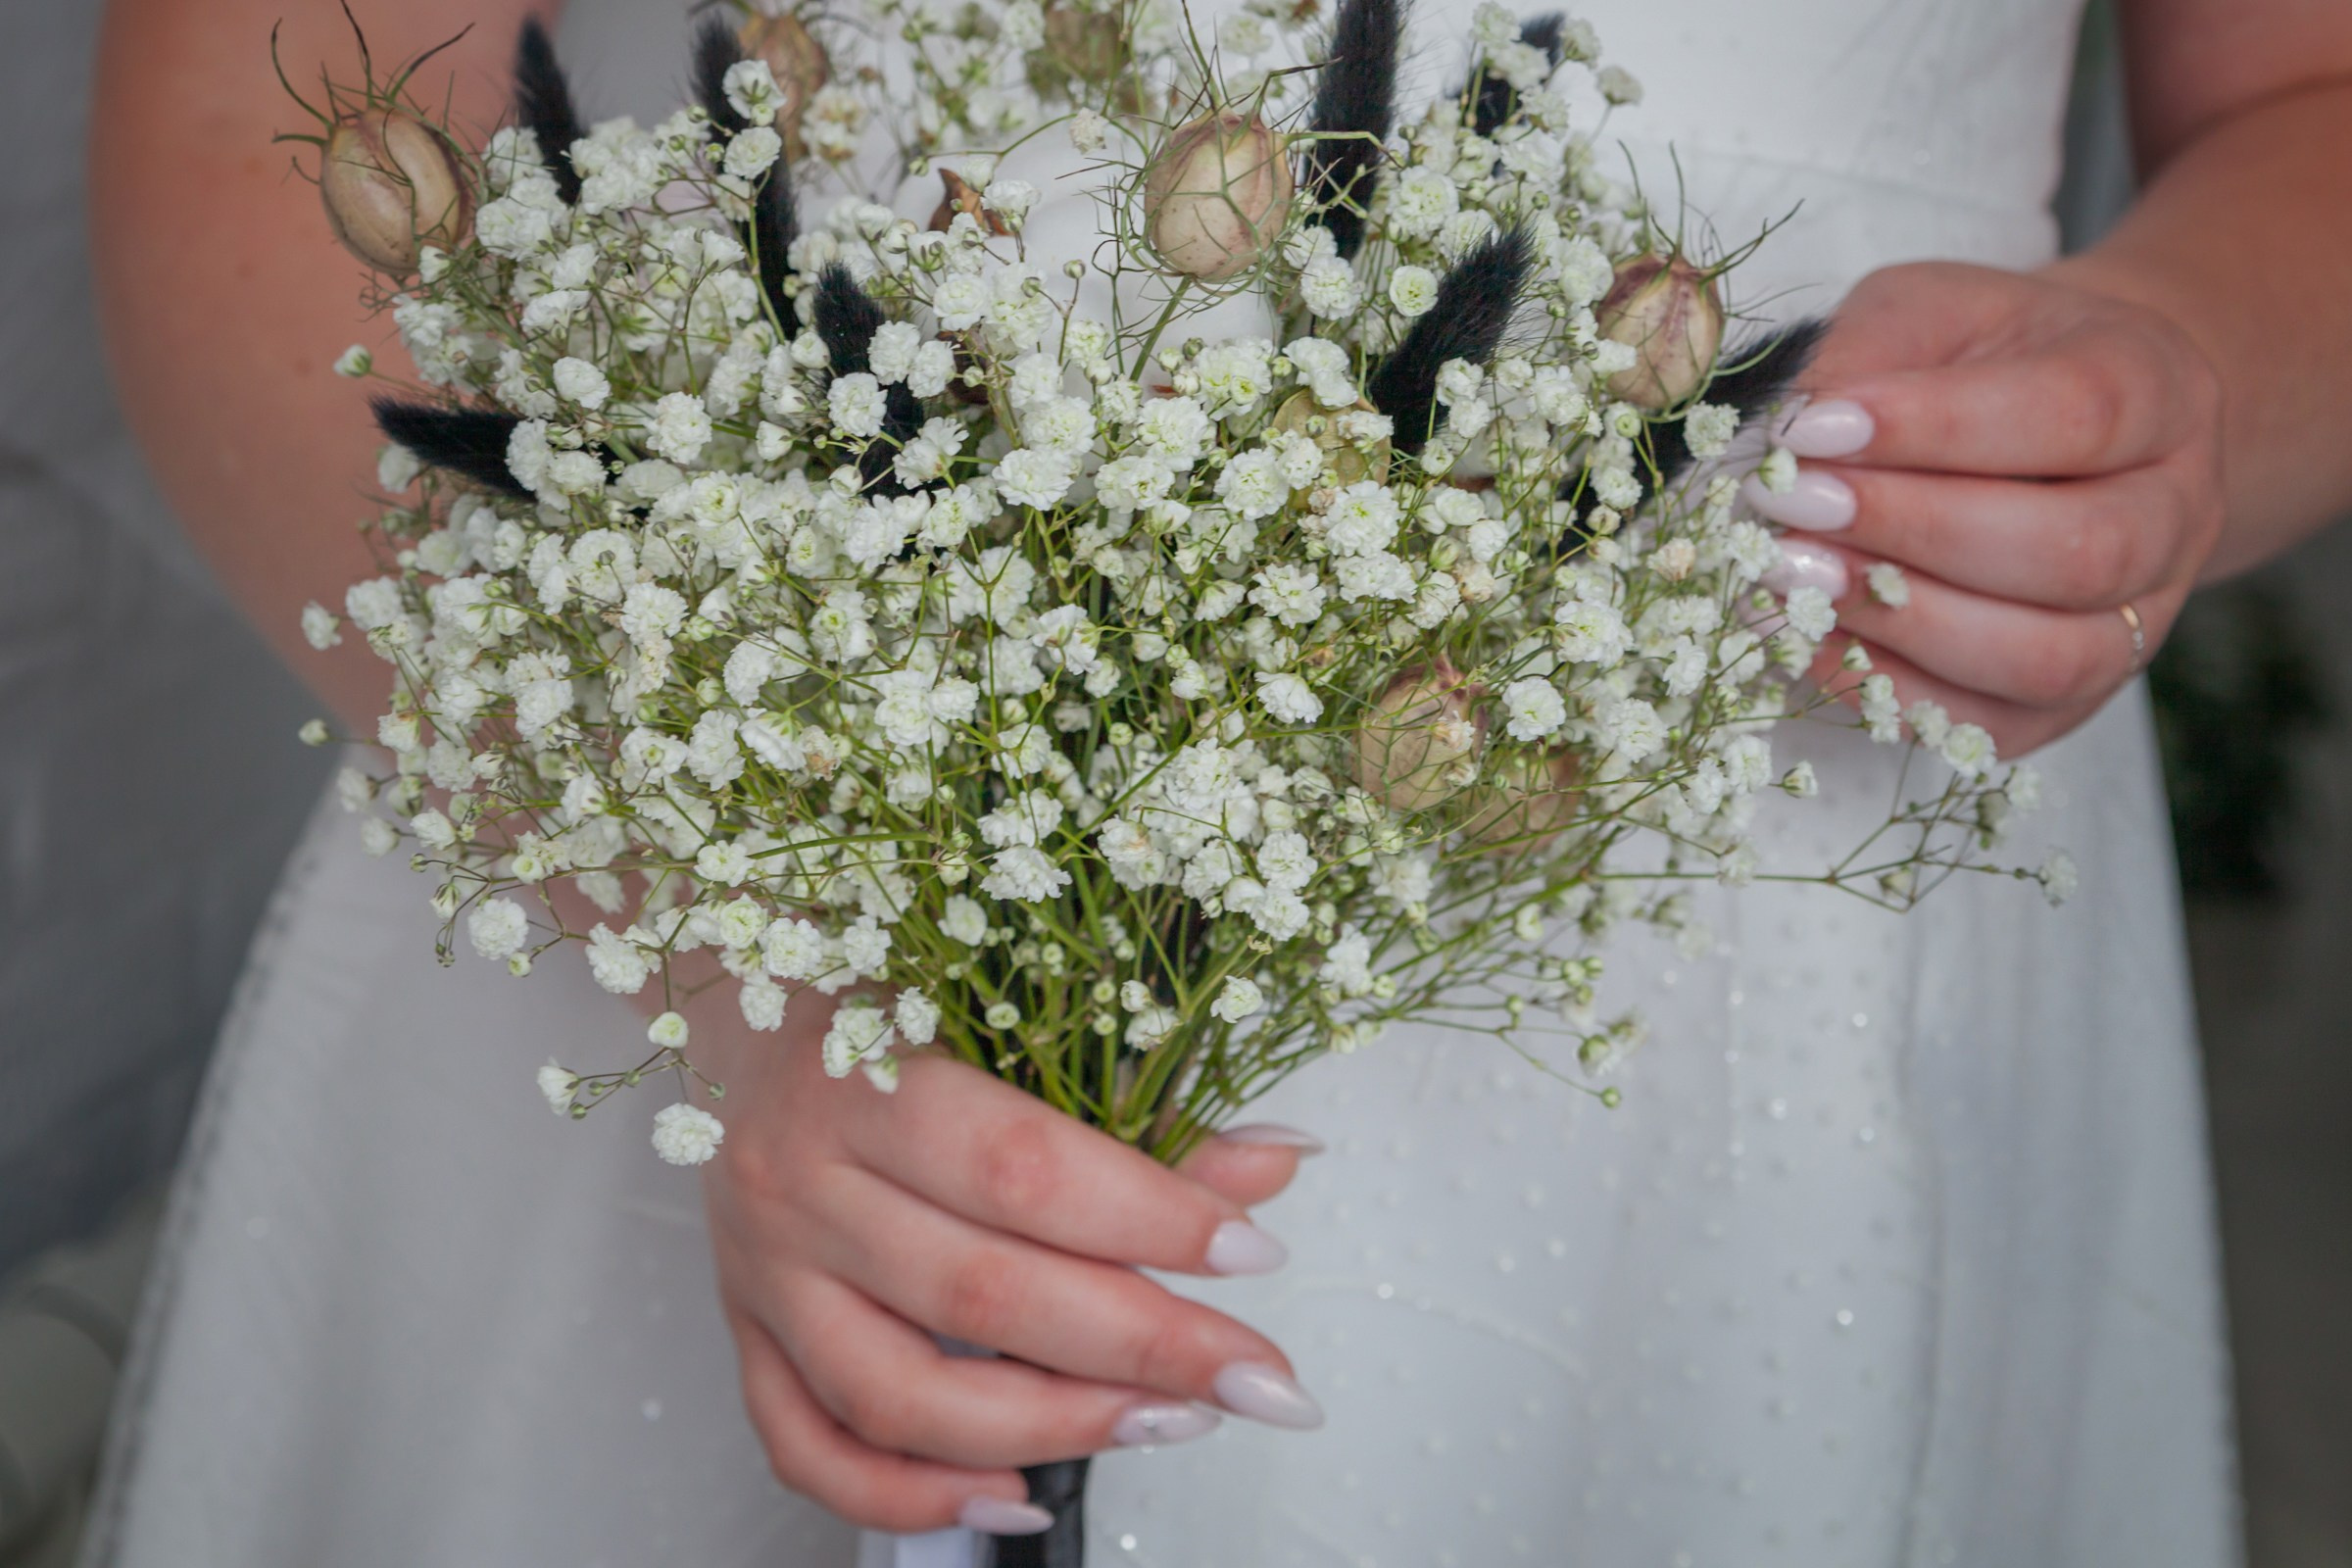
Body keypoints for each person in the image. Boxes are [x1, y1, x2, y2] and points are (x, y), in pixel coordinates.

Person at [80, 0, 2352, 1561]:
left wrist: (2171, 386)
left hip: (1768, 916)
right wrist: (725, 928)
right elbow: (246, 106)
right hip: (739, 812)